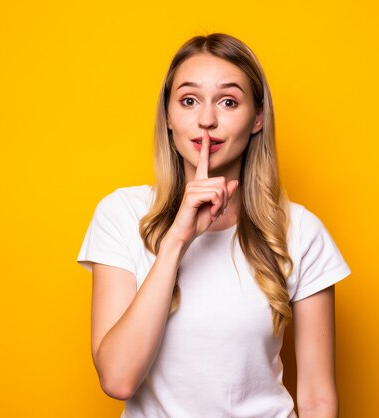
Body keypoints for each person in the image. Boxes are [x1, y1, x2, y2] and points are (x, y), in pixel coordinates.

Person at [76, 33, 351, 418]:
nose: (207, 120)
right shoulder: (121, 214)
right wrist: (178, 238)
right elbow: (118, 379)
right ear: (168, 118)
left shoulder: (301, 232)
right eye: (189, 101)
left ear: (257, 118)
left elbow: (318, 398)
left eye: (228, 101)